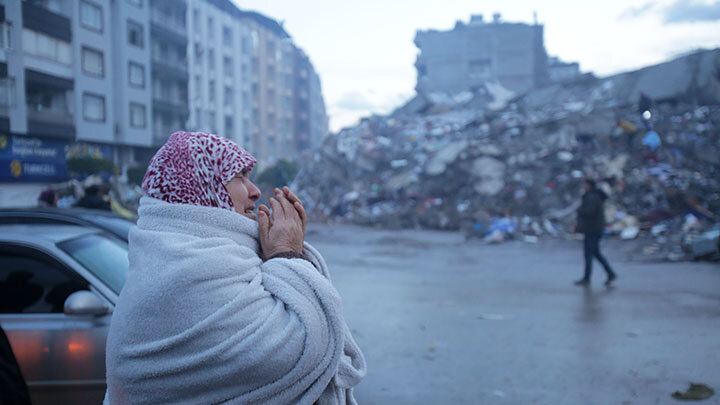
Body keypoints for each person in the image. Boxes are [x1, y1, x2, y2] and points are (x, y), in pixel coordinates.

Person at [104, 131, 365, 405]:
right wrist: (286, 254)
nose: (255, 191)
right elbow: (300, 347)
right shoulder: (187, 268)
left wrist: (278, 256)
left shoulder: (201, 256)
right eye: (239, 177)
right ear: (202, 186)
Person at [574, 179, 617, 286]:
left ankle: (587, 278)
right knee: (596, 254)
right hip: (594, 229)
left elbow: (589, 212)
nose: (583, 186)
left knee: (588, 255)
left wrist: (580, 211)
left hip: (592, 230)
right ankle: (610, 273)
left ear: (589, 186)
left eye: (585, 184)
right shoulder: (592, 196)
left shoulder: (592, 197)